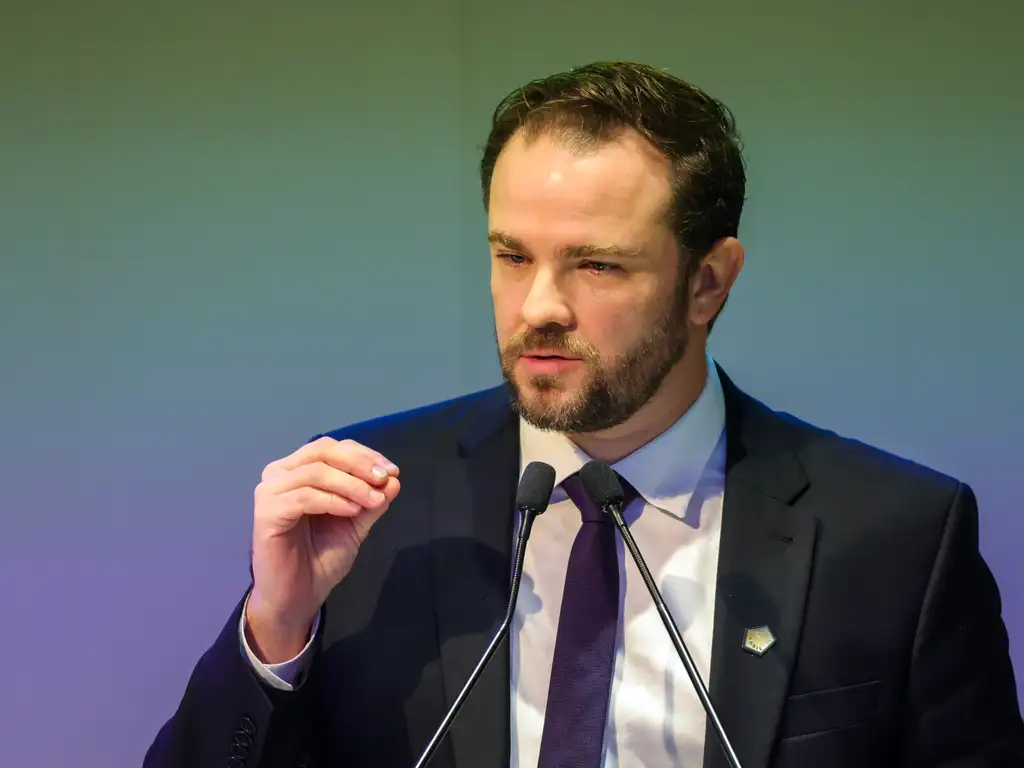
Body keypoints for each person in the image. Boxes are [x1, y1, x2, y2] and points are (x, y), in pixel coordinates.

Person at [144, 61, 1024, 768]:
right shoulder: (371, 508)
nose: (538, 307)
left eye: (596, 266)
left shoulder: (895, 537)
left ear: (708, 282)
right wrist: (277, 630)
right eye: (511, 256)